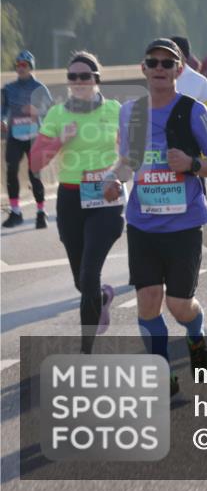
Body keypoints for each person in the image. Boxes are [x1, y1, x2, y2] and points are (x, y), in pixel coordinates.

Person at [102, 38, 207, 396]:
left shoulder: (193, 111)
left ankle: (196, 335)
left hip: (184, 223)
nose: (159, 68)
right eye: (152, 63)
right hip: (143, 223)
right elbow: (129, 161)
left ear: (178, 70)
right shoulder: (131, 112)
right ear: (143, 69)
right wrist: (113, 180)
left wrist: (192, 164)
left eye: (167, 63)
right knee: (147, 301)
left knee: (178, 305)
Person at [30, 51, 123, 354]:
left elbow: (132, 154)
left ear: (96, 79)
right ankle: (101, 298)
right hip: (70, 199)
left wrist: (119, 177)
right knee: (82, 283)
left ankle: (87, 352)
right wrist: (59, 141)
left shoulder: (114, 110)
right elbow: (34, 163)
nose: (79, 82)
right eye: (73, 77)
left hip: (106, 199)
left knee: (89, 272)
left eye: (85, 76)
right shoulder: (58, 114)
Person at [172, 36, 207, 248]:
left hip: (192, 154)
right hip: (165, 154)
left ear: (185, 56)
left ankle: (202, 223)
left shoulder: (199, 81)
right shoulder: (159, 76)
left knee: (195, 199)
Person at [2, 50, 52, 228]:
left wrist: (37, 110)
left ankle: (41, 212)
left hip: (33, 137)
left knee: (34, 174)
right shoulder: (8, 88)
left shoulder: (40, 88)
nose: (20, 68)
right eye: (18, 65)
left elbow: (50, 111)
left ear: (31, 67)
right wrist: (3, 120)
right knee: (11, 171)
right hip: (15, 136)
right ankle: (15, 212)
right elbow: (4, 108)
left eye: (24, 65)